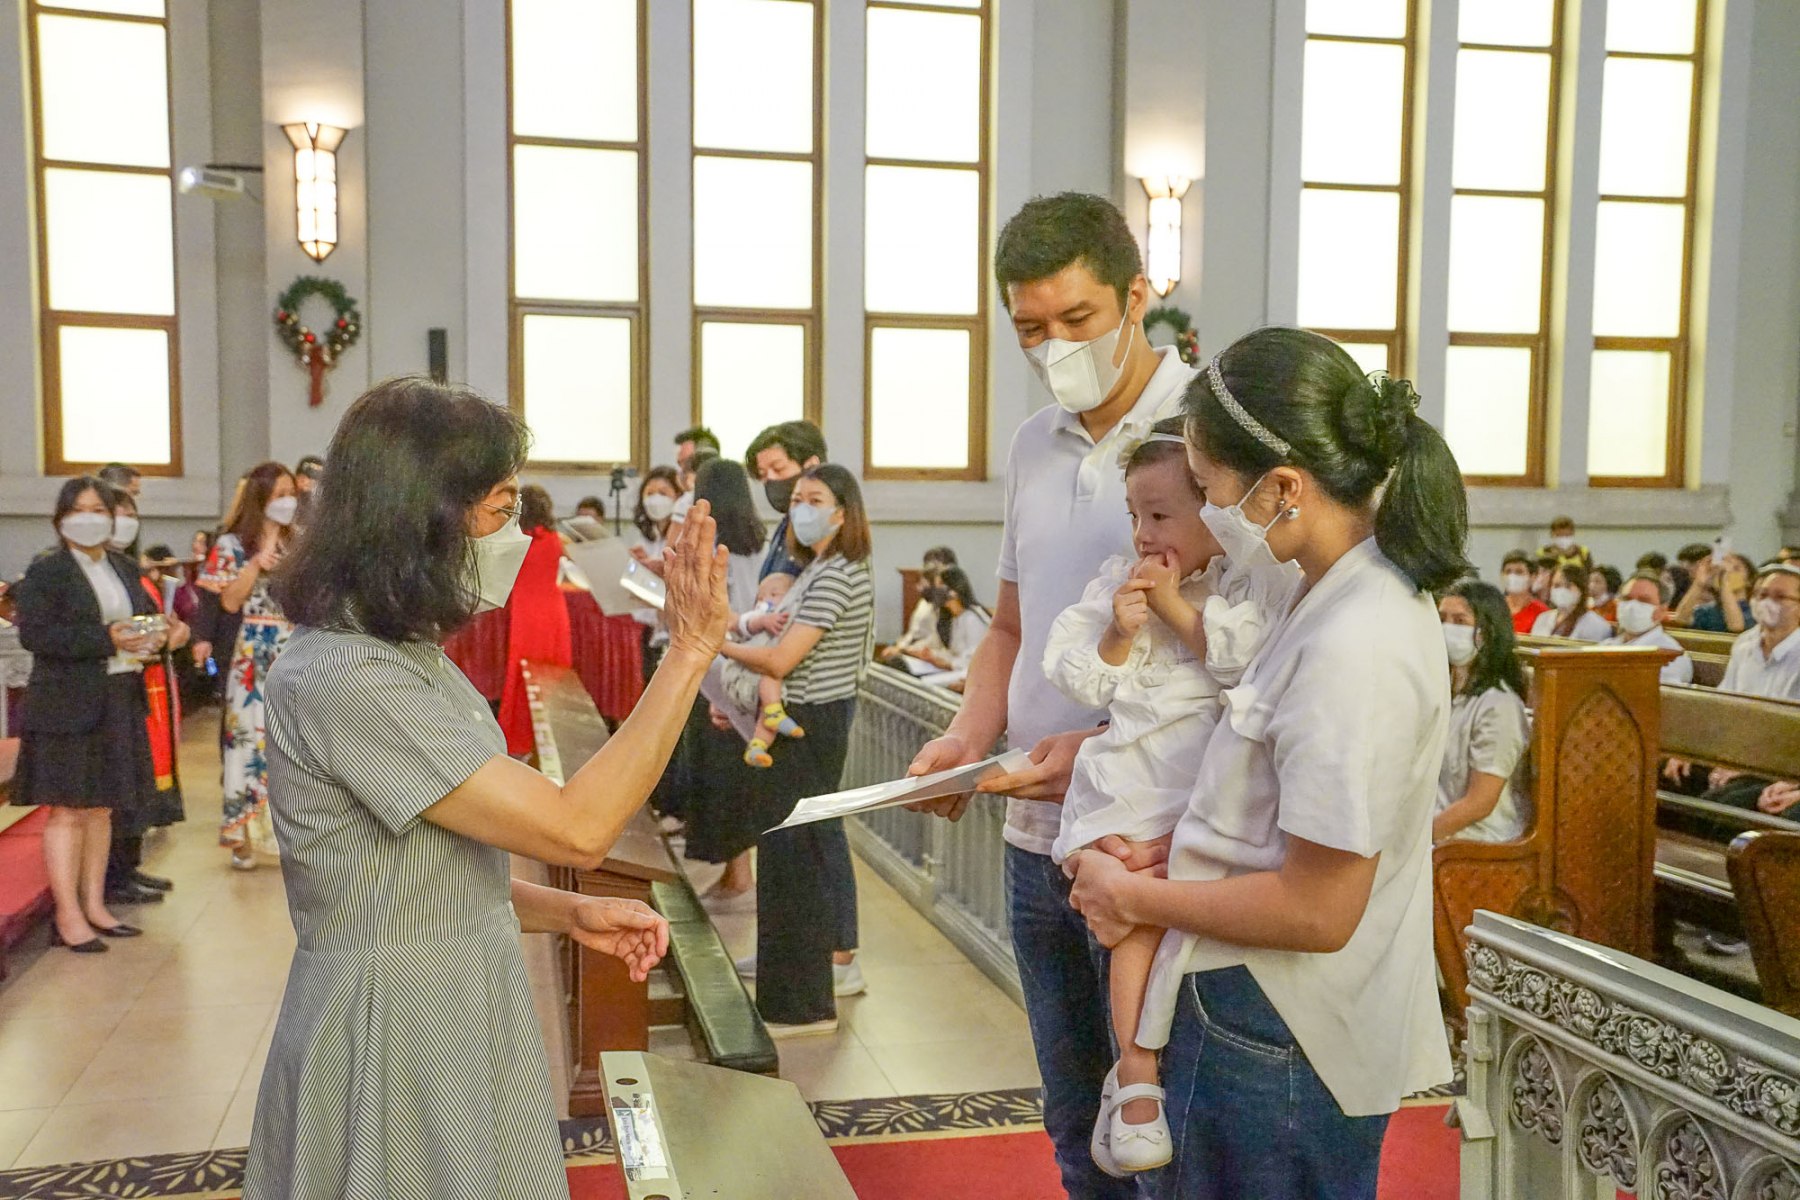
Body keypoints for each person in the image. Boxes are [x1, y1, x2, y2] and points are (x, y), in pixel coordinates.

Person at [245, 376, 728, 1199]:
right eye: (500, 510)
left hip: (456, 988)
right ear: (422, 515)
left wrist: (568, 912)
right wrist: (689, 652)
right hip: (396, 1026)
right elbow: (578, 828)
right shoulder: (348, 674)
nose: (515, 535)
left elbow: (419, 877)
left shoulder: (400, 652)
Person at [1066, 327, 1464, 1198]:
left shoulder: (1357, 638)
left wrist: (1134, 897)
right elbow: (1271, 814)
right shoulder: (1325, 591)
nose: (1207, 513)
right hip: (1257, 1002)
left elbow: (1319, 908)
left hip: (1278, 1026)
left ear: (1283, 487)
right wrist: (1171, 852)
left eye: (1208, 488)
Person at [906, 191, 1199, 1199]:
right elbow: (1009, 628)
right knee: (1075, 1127)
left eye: (1078, 319)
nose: (1055, 347)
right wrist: (964, 737)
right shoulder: (1034, 442)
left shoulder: (1202, 432)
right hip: (1037, 838)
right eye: (1031, 329)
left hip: (1148, 841)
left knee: (1157, 1131)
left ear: (1136, 295)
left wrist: (1096, 749)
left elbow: (1230, 652)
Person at [1043, 418, 1291, 1175]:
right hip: (1128, 786)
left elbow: (1241, 667)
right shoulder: (1116, 584)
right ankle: (1136, 1074)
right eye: (1134, 515)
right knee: (1137, 927)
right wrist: (1119, 634)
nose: (1144, 534)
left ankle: (1146, 1077)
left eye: (1160, 514)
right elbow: (1080, 677)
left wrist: (1175, 606)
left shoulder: (1244, 588)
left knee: (1175, 927)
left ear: (1215, 512)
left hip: (1200, 796)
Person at [718, 465, 875, 1029]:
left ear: (843, 512)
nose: (801, 509)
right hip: (799, 718)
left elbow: (782, 659)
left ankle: (802, 1006)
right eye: (797, 500)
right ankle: (785, 990)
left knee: (797, 859)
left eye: (815, 499)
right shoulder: (818, 569)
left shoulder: (839, 574)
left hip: (809, 723)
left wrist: (715, 644)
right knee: (784, 858)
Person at [14, 478, 166, 951]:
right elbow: (36, 635)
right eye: (78, 509)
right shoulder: (48, 570)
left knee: (102, 808)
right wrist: (107, 638)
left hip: (118, 695)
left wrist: (160, 636)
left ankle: (95, 904)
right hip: (65, 703)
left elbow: (144, 617)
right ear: (61, 518)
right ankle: (67, 914)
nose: (90, 518)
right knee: (67, 810)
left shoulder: (122, 565)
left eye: (98, 509)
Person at [676, 456, 779, 910]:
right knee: (742, 776)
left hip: (718, 668)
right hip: (754, 667)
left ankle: (739, 876)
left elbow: (712, 613)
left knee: (722, 778)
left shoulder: (712, 546)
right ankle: (739, 872)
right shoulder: (765, 543)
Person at [201, 461, 300, 870]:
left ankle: (291, 835)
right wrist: (256, 563)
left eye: (291, 493)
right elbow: (229, 601)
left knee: (293, 741)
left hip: (295, 646)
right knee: (246, 737)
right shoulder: (231, 544)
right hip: (254, 649)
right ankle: (242, 833)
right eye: (279, 494)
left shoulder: (301, 541)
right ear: (261, 499)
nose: (288, 501)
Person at [103, 488, 190, 904]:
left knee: (142, 775)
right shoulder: (103, 575)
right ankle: (114, 874)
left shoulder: (133, 571)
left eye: (131, 514)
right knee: (122, 779)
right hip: (121, 685)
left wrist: (175, 632)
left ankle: (129, 865)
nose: (126, 522)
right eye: (117, 513)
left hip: (151, 679)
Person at [1433, 581, 1532, 843]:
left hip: (1478, 840)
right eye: (1442, 619)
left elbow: (1479, 803)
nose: (1447, 628)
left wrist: (1414, 840)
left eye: (1460, 621)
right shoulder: (1445, 691)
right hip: (1438, 828)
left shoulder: (1499, 706)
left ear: (1486, 632)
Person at [496, 485, 575, 756]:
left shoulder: (513, 541)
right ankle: (552, 740)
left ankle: (519, 739)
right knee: (555, 669)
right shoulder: (558, 540)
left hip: (524, 615)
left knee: (521, 674)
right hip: (553, 612)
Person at [745, 419, 827, 581]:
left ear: (811, 465)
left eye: (778, 469)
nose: (770, 479)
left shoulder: (824, 525)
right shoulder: (787, 524)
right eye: (763, 474)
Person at [1601, 571, 1694, 685]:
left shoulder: (1671, 657)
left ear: (1662, 611)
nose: (1632, 606)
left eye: (1644, 600)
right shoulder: (1606, 646)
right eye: (1626, 598)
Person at [1675, 550, 1753, 633]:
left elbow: (1736, 626)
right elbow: (1681, 619)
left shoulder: (1753, 610)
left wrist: (1724, 580)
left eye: (1736, 569)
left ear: (1749, 580)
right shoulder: (1707, 610)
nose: (1729, 572)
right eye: (1720, 570)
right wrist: (1699, 583)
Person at [1530, 562, 1613, 641]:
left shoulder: (1596, 625)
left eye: (1568, 586)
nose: (1562, 590)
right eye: (1557, 585)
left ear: (1581, 589)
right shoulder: (1543, 618)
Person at [1499, 550, 1548, 634]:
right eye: (1508, 572)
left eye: (1519, 572)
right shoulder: (1493, 607)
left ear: (1533, 577)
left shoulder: (1542, 613)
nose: (1512, 576)